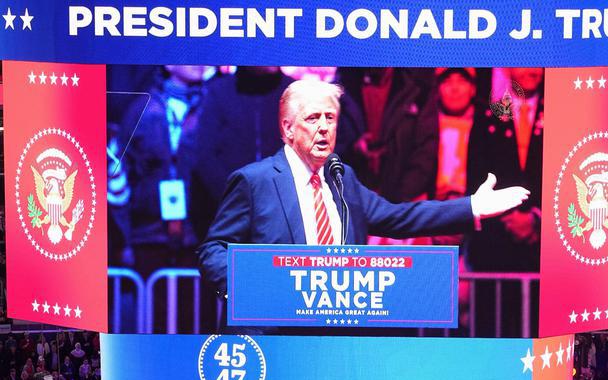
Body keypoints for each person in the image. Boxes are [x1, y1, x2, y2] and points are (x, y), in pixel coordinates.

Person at [198, 78, 530, 312]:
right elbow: (213, 249)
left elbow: (399, 217)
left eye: (331, 118)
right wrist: (244, 291)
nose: (325, 128)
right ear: (287, 128)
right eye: (313, 118)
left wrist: (473, 206)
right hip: (271, 339)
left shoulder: (342, 179)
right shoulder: (255, 181)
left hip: (336, 338)